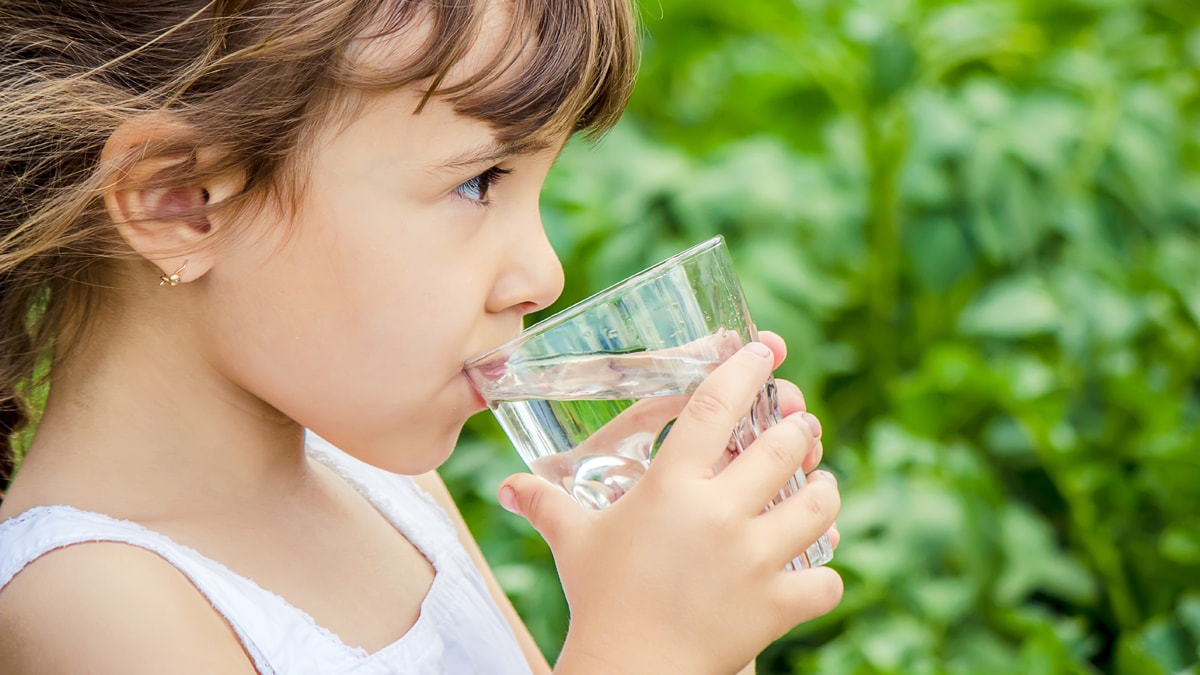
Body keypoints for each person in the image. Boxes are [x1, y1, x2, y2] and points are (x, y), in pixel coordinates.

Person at [0, 1, 843, 673]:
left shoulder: (383, 491)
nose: (544, 275)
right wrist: (646, 654)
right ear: (181, 201)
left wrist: (687, 610)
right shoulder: (93, 604)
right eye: (480, 181)